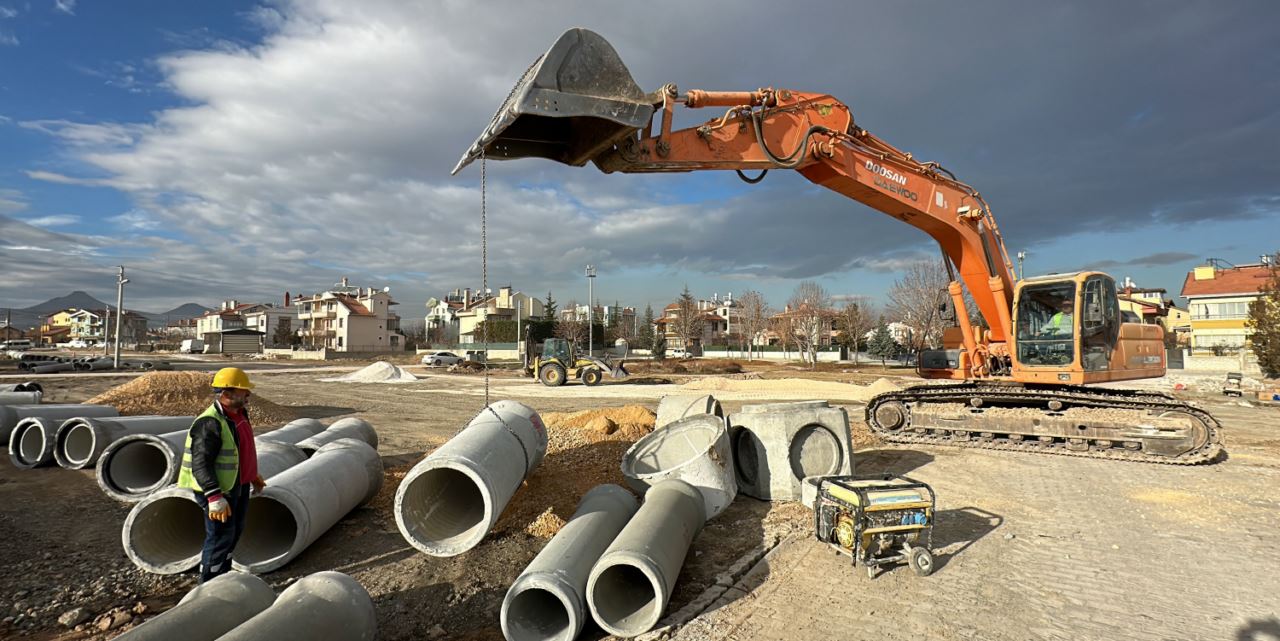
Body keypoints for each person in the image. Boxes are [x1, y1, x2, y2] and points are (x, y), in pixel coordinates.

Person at [176, 367, 265, 582]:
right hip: (219, 492)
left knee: (233, 533)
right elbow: (200, 463)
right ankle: (209, 582)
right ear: (226, 393)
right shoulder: (210, 423)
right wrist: (214, 497)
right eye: (243, 391)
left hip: (238, 486)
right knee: (219, 537)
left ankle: (222, 575)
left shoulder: (239, 415)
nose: (248, 395)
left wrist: (252, 474)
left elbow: (239, 451)